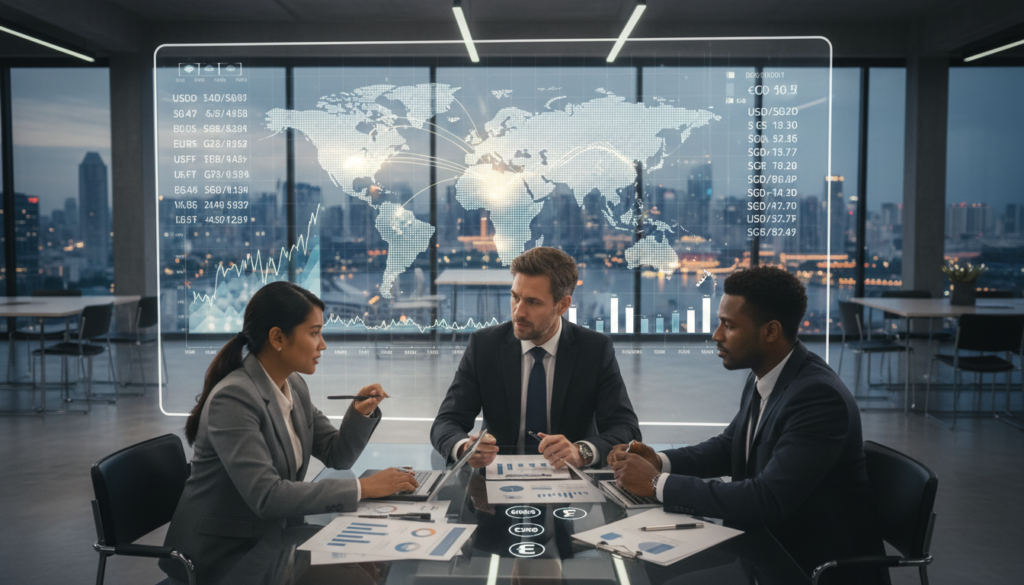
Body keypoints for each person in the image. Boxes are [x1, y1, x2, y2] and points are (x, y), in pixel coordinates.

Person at [608, 266, 888, 585]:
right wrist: (659, 461)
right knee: (644, 565)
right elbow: (731, 446)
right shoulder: (769, 375)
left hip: (807, 565)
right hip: (764, 545)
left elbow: (767, 500)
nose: (716, 335)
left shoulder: (818, 397)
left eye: (729, 326)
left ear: (770, 331)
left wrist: (657, 483)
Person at [159, 281, 418, 584]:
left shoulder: (292, 385)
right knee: (361, 579)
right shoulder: (233, 398)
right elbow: (267, 496)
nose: (323, 345)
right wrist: (364, 488)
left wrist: (360, 414)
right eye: (314, 333)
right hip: (225, 558)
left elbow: (337, 455)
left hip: (276, 543)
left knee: (371, 568)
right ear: (278, 338)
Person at [430, 246, 641, 470]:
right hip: (498, 477)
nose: (518, 312)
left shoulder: (595, 350)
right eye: (515, 297)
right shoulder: (484, 346)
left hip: (570, 478)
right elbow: (446, 422)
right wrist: (465, 448)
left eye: (533, 302)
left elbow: (626, 429)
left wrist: (582, 452)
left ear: (563, 305)